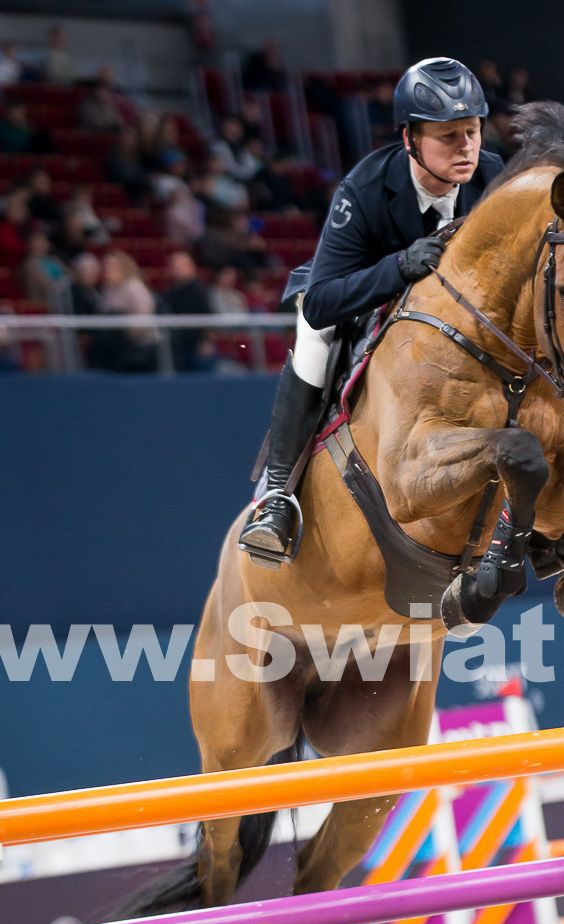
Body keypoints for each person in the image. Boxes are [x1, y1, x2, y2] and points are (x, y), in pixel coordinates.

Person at [239, 56, 502, 564]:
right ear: (410, 140)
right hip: (357, 300)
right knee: (314, 334)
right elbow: (322, 300)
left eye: (472, 131)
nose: (466, 147)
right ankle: (276, 498)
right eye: (448, 136)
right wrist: (399, 266)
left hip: (451, 318)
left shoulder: (493, 179)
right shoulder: (362, 189)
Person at [160, 250, 212, 371]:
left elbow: (209, 319)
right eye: (174, 266)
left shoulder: (200, 291)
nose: (177, 269)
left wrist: (205, 342)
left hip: (195, 347)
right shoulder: (170, 293)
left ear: (191, 267)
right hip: (176, 345)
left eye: (181, 266)